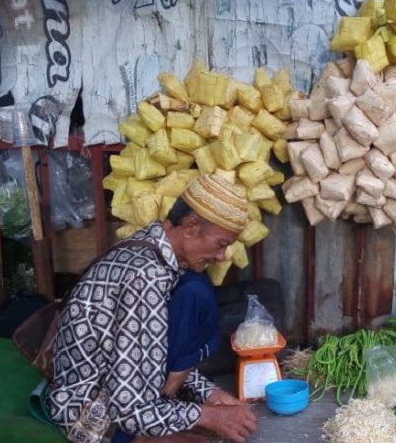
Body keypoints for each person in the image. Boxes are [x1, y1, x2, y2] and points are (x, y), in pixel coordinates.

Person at [45, 174, 257, 443]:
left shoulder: (149, 245)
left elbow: (145, 359)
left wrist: (208, 394)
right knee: (198, 294)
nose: (221, 256)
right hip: (86, 418)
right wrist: (208, 416)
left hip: (104, 391)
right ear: (191, 226)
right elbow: (128, 409)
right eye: (221, 244)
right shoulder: (146, 278)